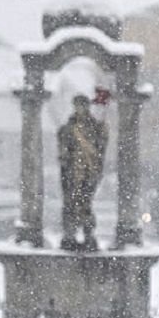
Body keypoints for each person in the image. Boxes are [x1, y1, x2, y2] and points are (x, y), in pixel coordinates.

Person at [57, 94, 108, 252]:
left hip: (88, 170)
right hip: (73, 172)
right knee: (71, 203)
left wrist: (103, 132)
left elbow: (100, 147)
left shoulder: (95, 127)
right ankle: (70, 234)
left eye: (83, 106)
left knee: (86, 203)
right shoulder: (68, 128)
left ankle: (88, 234)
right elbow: (63, 151)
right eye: (78, 106)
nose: (80, 109)